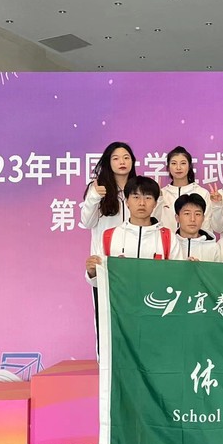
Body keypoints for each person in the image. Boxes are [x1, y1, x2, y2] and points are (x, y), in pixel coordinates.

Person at [80, 141, 137, 354]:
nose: (122, 162)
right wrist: (94, 196)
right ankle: (106, 365)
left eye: (126, 157)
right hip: (106, 267)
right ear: (108, 162)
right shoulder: (97, 189)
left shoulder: (138, 189)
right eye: (116, 158)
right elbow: (86, 222)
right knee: (106, 322)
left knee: (135, 320)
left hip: (135, 266)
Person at [85, 176, 182, 288]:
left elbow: (179, 277)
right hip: (120, 298)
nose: (142, 203)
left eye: (148, 198)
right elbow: (99, 283)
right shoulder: (109, 236)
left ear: (155, 203)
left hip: (157, 298)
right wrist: (92, 272)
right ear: (127, 202)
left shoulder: (168, 237)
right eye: (136, 197)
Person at [155, 146, 212, 235]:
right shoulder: (162, 194)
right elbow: (154, 222)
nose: (178, 167)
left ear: (189, 166)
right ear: (168, 167)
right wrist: (158, 199)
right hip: (166, 242)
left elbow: (206, 225)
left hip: (195, 242)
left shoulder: (202, 193)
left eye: (183, 163)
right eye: (174, 163)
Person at [174, 193, 219, 262]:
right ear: (177, 217)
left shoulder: (213, 248)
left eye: (197, 214)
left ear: (203, 218)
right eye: (187, 214)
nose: (192, 219)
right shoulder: (170, 244)